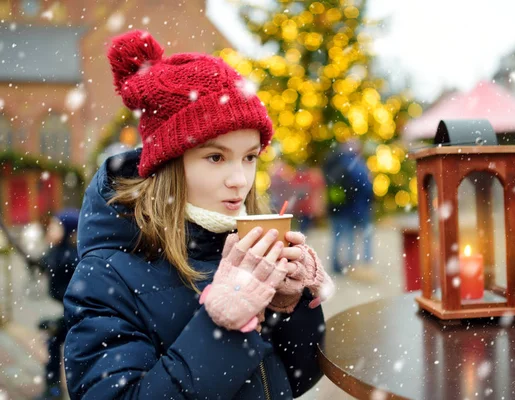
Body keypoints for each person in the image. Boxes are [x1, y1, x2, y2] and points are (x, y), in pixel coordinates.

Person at [63, 30, 334, 399]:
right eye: (216, 157)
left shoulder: (237, 240)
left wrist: (288, 308)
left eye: (250, 157)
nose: (240, 180)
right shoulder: (107, 274)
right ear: (169, 165)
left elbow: (296, 378)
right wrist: (222, 327)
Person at [36, 208, 79, 400]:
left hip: (81, 317)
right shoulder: (56, 253)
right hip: (69, 312)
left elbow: (79, 299)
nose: (50, 231)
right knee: (52, 341)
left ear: (69, 232)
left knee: (73, 350)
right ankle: (53, 389)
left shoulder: (72, 258)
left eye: (55, 227)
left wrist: (61, 322)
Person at [323, 140, 375, 281]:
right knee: (364, 235)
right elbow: (365, 186)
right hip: (358, 207)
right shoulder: (356, 164)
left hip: (338, 207)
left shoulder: (335, 164)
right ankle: (363, 264)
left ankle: (339, 264)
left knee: (340, 236)